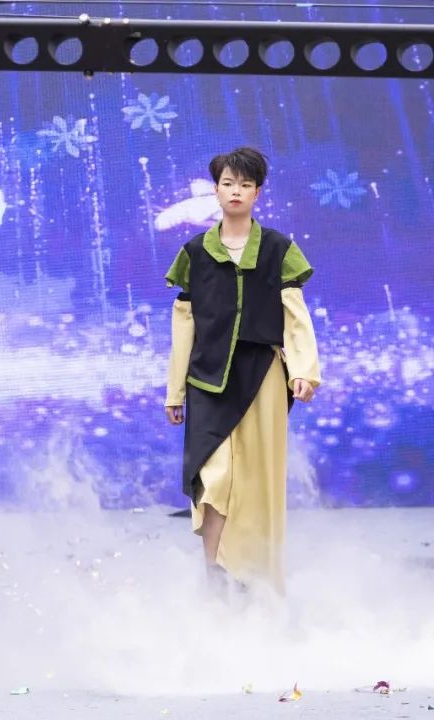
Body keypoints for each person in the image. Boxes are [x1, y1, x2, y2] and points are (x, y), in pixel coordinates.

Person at [165, 147, 321, 594]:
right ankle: (214, 578)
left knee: (257, 481)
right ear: (215, 191)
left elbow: (295, 315)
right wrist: (175, 392)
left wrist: (303, 369)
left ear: (257, 193)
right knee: (212, 478)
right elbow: (184, 325)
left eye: (245, 184)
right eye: (228, 183)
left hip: (262, 377)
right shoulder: (195, 253)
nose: (236, 191)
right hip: (207, 380)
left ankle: (258, 582)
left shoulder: (277, 249)